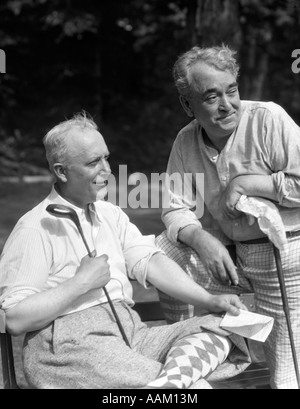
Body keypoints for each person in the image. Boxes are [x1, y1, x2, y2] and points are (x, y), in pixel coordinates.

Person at [0, 112, 250, 390]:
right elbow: (15, 318)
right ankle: (174, 384)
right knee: (196, 388)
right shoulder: (35, 228)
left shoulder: (110, 213)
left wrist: (209, 300)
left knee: (224, 326)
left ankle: (168, 384)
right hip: (70, 347)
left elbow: (150, 262)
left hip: (130, 334)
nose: (107, 169)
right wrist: (80, 283)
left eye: (106, 157)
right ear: (61, 171)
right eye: (93, 162)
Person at [156, 44, 300, 389]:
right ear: (187, 104)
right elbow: (174, 206)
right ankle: (184, 355)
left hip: (285, 254)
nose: (226, 105)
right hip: (228, 256)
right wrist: (200, 238)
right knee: (162, 253)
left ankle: (245, 354)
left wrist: (249, 182)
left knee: (285, 373)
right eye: (211, 97)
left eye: (231, 90)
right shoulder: (185, 140)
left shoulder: (268, 118)